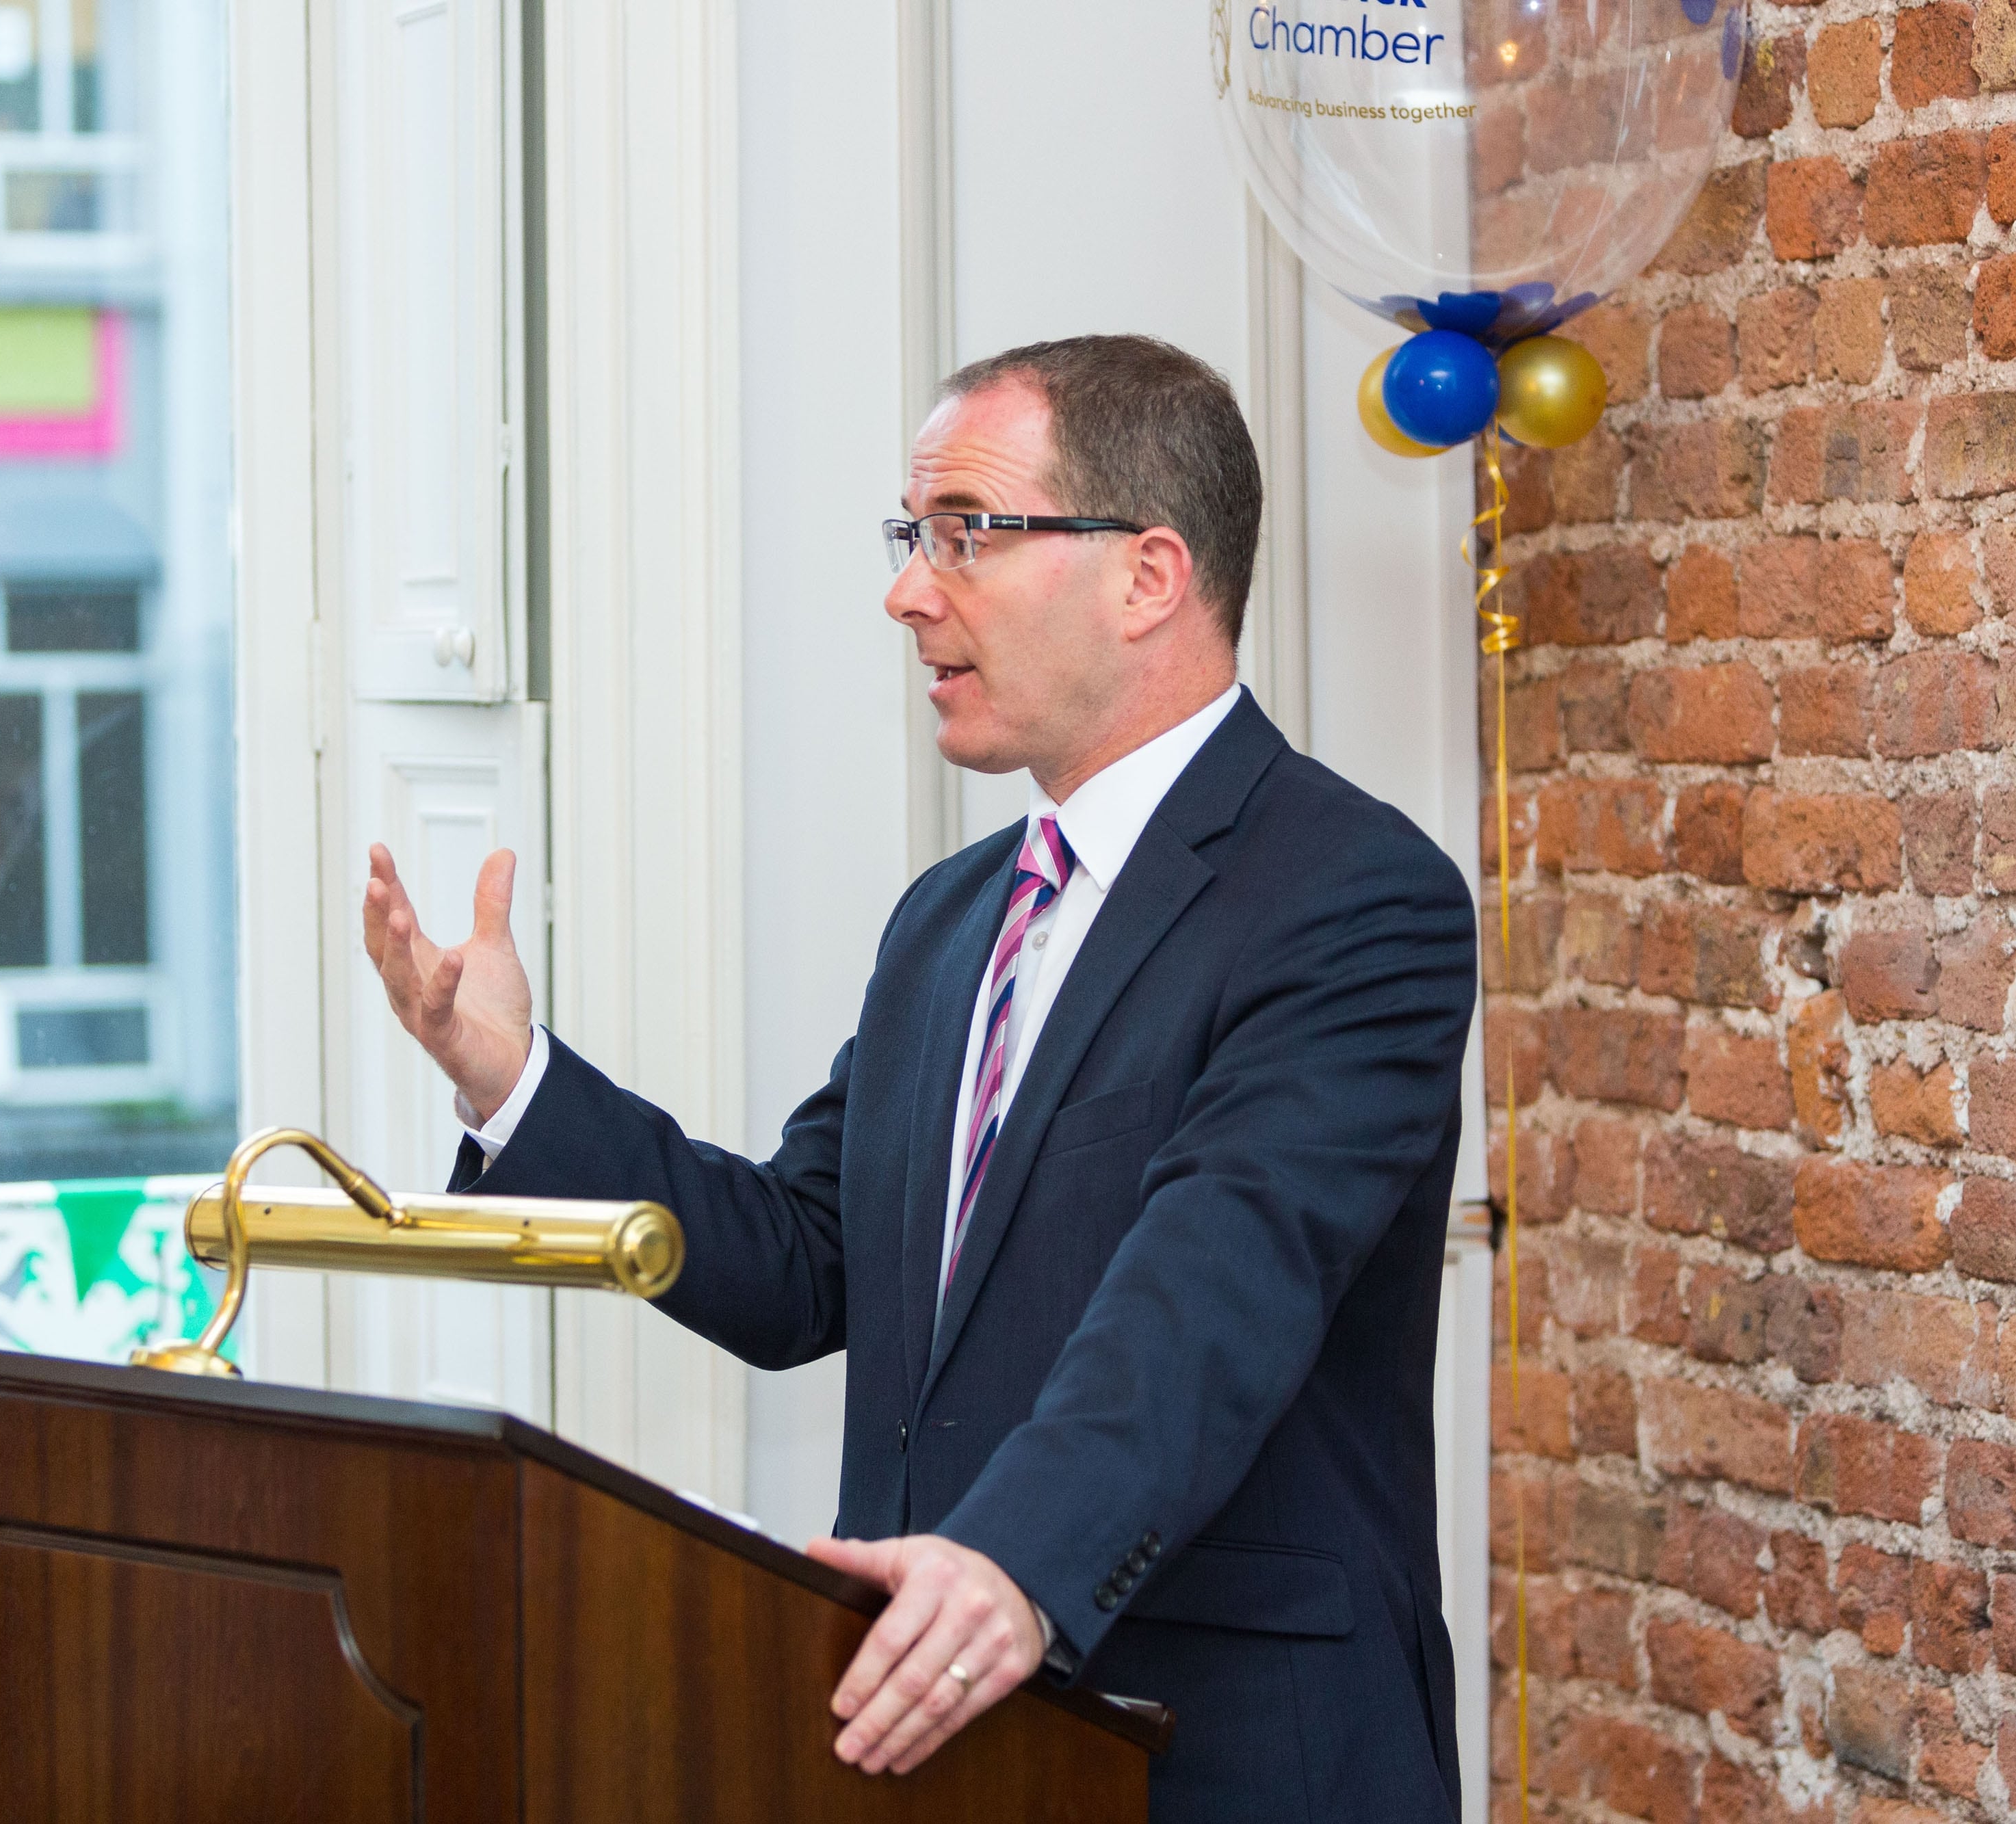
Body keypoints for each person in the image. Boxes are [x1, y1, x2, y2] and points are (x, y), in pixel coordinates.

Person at [363, 334, 1476, 1822]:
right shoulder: (951, 920)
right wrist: (512, 1080)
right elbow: (801, 1263)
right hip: (928, 1740)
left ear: (1147, 576)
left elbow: (1214, 1289)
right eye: (910, 537)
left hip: (1215, 1753)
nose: (906, 590)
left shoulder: (1350, 897)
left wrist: (1016, 1559)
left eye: (964, 533)